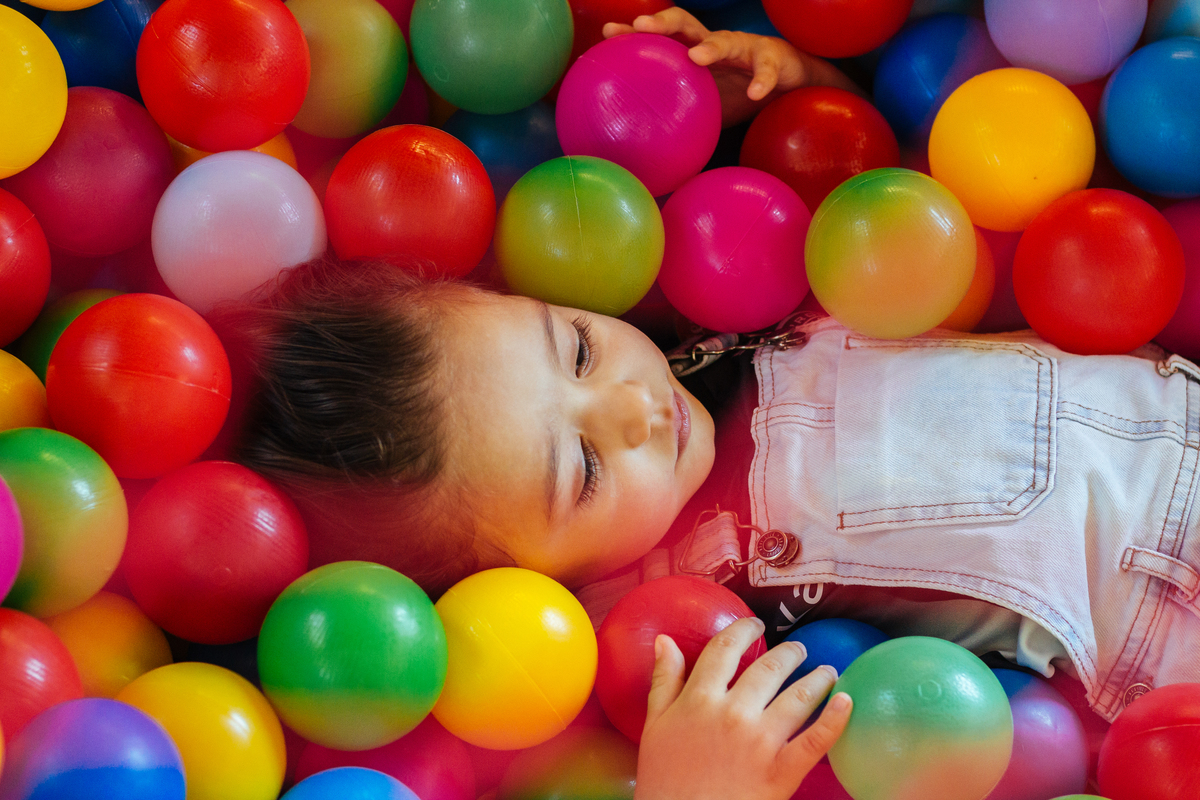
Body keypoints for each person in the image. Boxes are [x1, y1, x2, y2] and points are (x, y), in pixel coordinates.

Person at [223, 10, 1198, 799]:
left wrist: (798, 90)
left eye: (577, 347)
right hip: (1163, 644)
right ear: (530, 591)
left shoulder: (729, 303)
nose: (631, 408)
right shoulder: (666, 642)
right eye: (584, 470)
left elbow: (892, 218)